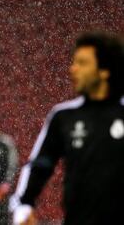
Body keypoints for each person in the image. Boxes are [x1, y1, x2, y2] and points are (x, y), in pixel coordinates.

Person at [10, 32, 124, 225]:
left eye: (82, 63)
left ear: (105, 70)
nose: (73, 69)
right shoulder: (63, 116)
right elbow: (39, 165)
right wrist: (23, 205)